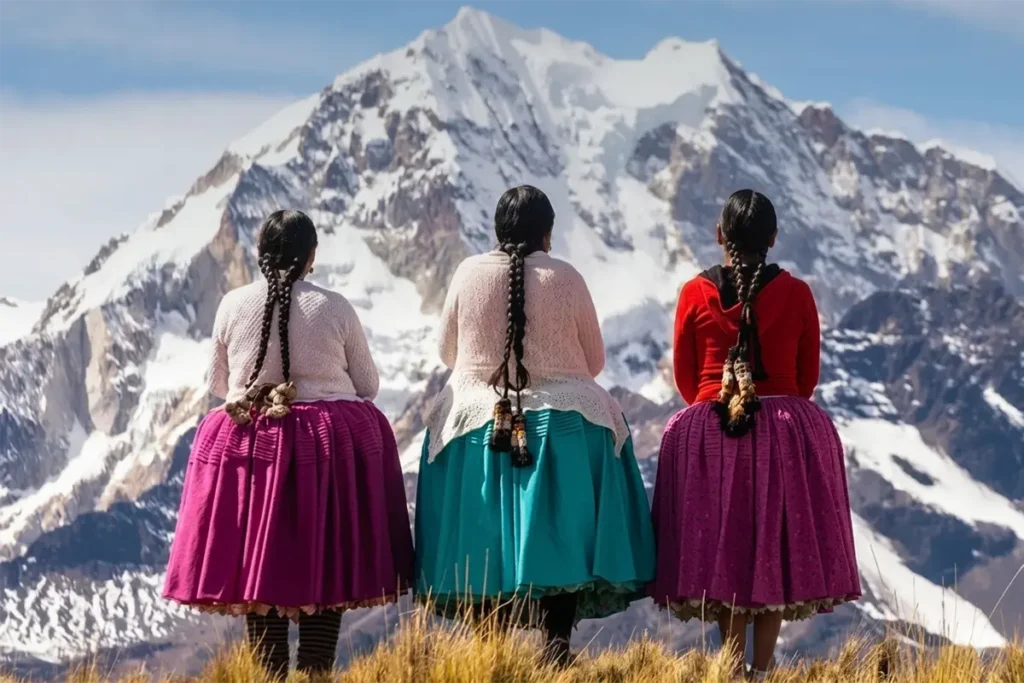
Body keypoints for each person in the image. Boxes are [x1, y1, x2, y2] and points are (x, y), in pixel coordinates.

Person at [163, 210, 414, 678]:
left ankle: (270, 674)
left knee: (262, 569)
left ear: (261, 255)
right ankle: (315, 672)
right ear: (310, 257)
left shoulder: (232, 305)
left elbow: (220, 385)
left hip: (251, 445)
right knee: (327, 561)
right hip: (326, 447)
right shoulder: (334, 306)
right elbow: (368, 383)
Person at [414, 185, 656, 667]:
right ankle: (556, 651)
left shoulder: (467, 273)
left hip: (476, 422)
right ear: (547, 234)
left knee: (483, 539)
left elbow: (447, 353)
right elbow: (595, 359)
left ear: (495, 231)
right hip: (566, 425)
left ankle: (489, 653)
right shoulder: (567, 277)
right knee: (562, 536)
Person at [650, 189, 860, 680]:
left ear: (719, 236)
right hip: (785, 431)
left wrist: (717, 402)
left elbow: (685, 379)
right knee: (772, 544)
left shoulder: (693, 294)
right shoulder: (799, 293)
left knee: (723, 543)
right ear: (773, 237)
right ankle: (761, 669)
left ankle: (727, 661)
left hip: (709, 429)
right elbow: (806, 379)